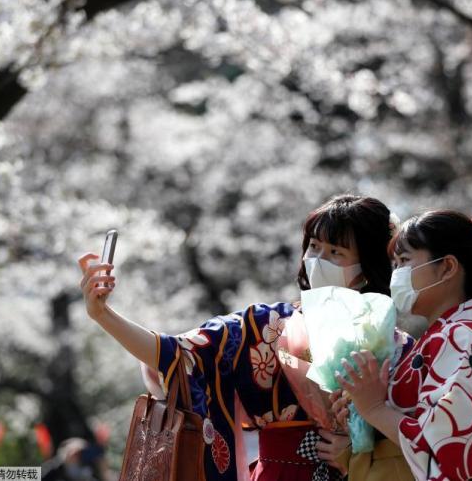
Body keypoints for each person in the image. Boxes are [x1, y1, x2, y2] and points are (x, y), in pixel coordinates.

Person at [77, 194, 394, 481]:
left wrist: (359, 450)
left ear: (366, 268)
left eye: (335, 252)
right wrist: (103, 315)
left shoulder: (392, 340)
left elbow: (416, 431)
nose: (319, 259)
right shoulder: (267, 325)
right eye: (314, 247)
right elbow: (180, 354)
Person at [332, 209, 472, 481]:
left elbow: (451, 448)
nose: (397, 273)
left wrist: (374, 409)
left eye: (404, 261)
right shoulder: (444, 337)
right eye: (395, 264)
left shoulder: (462, 337)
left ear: (447, 267)